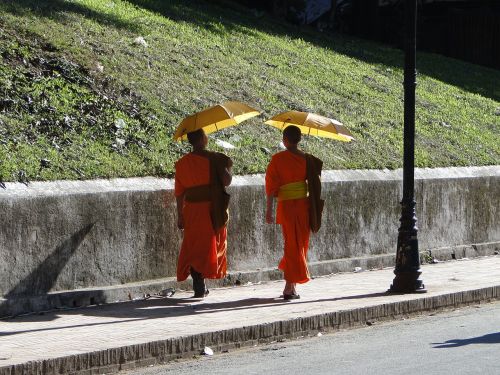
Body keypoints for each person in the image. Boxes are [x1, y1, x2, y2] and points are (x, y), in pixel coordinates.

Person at [265, 125, 323, 300]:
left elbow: (270, 187)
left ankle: (291, 284)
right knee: (300, 244)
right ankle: (290, 286)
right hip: (303, 207)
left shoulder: (277, 159)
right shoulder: (307, 160)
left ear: (285, 140)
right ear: (299, 140)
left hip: (286, 207)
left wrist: (269, 210)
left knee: (292, 244)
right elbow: (315, 185)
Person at [174, 128, 232, 298]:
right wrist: (222, 165)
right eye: (206, 134)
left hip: (191, 209)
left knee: (194, 246)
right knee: (209, 245)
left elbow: (179, 193)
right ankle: (200, 279)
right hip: (211, 208)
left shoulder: (182, 163)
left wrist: (180, 214)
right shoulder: (215, 158)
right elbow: (227, 182)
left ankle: (198, 280)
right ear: (202, 139)